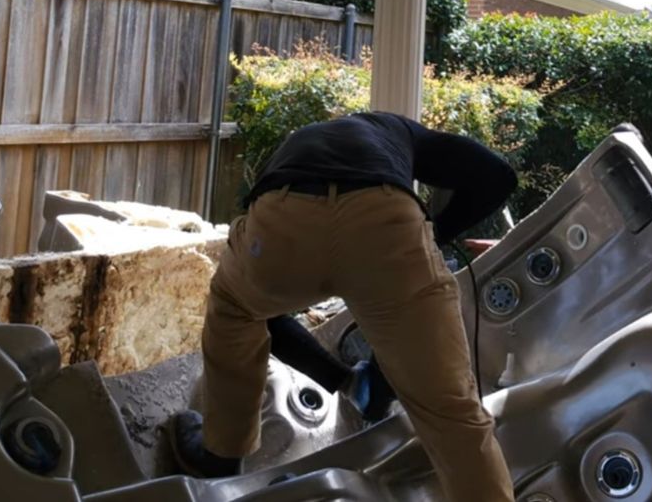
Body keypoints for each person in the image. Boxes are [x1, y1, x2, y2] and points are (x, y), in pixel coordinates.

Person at [168, 111, 517, 502]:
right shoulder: (402, 130)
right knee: (450, 411)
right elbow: (496, 176)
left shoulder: (300, 139)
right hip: (387, 226)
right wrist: (434, 235)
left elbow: (274, 321)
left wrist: (337, 376)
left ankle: (220, 457)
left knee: (236, 310)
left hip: (283, 219)